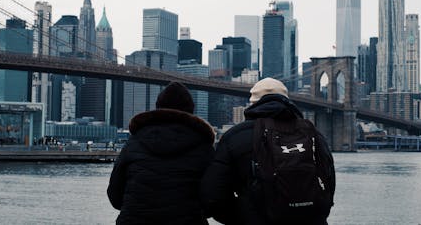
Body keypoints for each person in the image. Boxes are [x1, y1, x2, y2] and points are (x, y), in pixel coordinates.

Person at [201, 78, 335, 225]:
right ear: (287, 101)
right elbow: (329, 183)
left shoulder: (235, 136)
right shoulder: (313, 134)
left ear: (252, 103)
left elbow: (214, 197)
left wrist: (245, 217)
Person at [107, 82, 215, 225]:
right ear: (191, 110)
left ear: (158, 107)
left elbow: (115, 196)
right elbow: (214, 198)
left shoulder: (134, 143)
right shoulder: (204, 147)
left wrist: (137, 209)